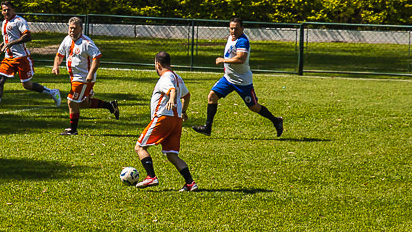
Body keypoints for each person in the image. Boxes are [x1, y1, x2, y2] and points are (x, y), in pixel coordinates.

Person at [192, 17, 284, 138]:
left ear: (242, 28)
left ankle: (276, 120)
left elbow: (241, 59)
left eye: (236, 28)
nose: (233, 31)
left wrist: (223, 60)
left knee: (254, 107)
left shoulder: (242, 41)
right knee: (212, 96)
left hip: (242, 81)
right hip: (228, 78)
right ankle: (207, 128)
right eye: (231, 28)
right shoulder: (231, 37)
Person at [0, 1, 61, 117]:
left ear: (13, 10)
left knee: (27, 85)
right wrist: (1, 46)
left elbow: (27, 36)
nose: (6, 12)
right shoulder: (4, 22)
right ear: (1, 12)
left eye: (8, 9)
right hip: (8, 58)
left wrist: (11, 44)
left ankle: (52, 92)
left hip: (22, 58)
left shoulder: (19, 21)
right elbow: (8, 38)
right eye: (4, 10)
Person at [134, 51, 197, 192]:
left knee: (140, 147)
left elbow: (172, 90)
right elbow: (187, 96)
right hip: (176, 121)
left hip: (163, 117)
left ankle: (151, 177)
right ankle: (190, 183)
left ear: (158, 64)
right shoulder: (177, 77)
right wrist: (183, 111)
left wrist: (172, 99)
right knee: (172, 154)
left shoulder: (165, 77)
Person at [52, 16, 119, 135]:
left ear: (81, 29)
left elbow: (97, 57)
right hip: (74, 77)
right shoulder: (67, 39)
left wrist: (91, 73)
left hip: (83, 78)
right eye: (70, 28)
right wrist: (56, 66)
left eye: (74, 28)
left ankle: (73, 130)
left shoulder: (86, 43)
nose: (72, 30)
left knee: (71, 101)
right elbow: (59, 54)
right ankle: (110, 106)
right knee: (83, 103)